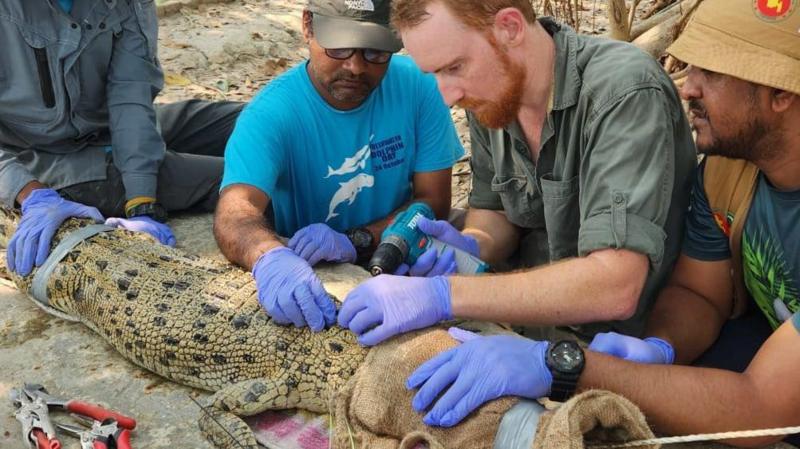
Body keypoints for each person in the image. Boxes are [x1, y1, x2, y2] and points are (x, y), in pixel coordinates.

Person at [403, 1, 800, 446]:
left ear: (779, 93)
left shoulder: (623, 89)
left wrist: (564, 365)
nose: (688, 88)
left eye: (712, 73)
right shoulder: (728, 173)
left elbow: (761, 412)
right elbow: (699, 294)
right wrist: (662, 347)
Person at [338, 0, 697, 346]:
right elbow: (495, 209)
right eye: (434, 74)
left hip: (620, 347)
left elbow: (616, 285)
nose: (447, 97)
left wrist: (445, 294)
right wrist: (472, 245)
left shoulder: (623, 91)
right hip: (524, 331)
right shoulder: (493, 96)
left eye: (454, 67)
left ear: (509, 27)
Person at [214, 0, 464, 332]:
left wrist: (358, 240)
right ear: (308, 26)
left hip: (404, 250)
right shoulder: (270, 114)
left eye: (375, 52)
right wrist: (269, 256)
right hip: (321, 275)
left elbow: (434, 199)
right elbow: (235, 211)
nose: (356, 67)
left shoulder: (419, 88)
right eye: (340, 48)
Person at [1, 0, 243, 276]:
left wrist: (141, 200)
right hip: (36, 157)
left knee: (253, 122)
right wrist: (30, 192)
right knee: (242, 179)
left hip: (109, 126)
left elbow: (130, 96)